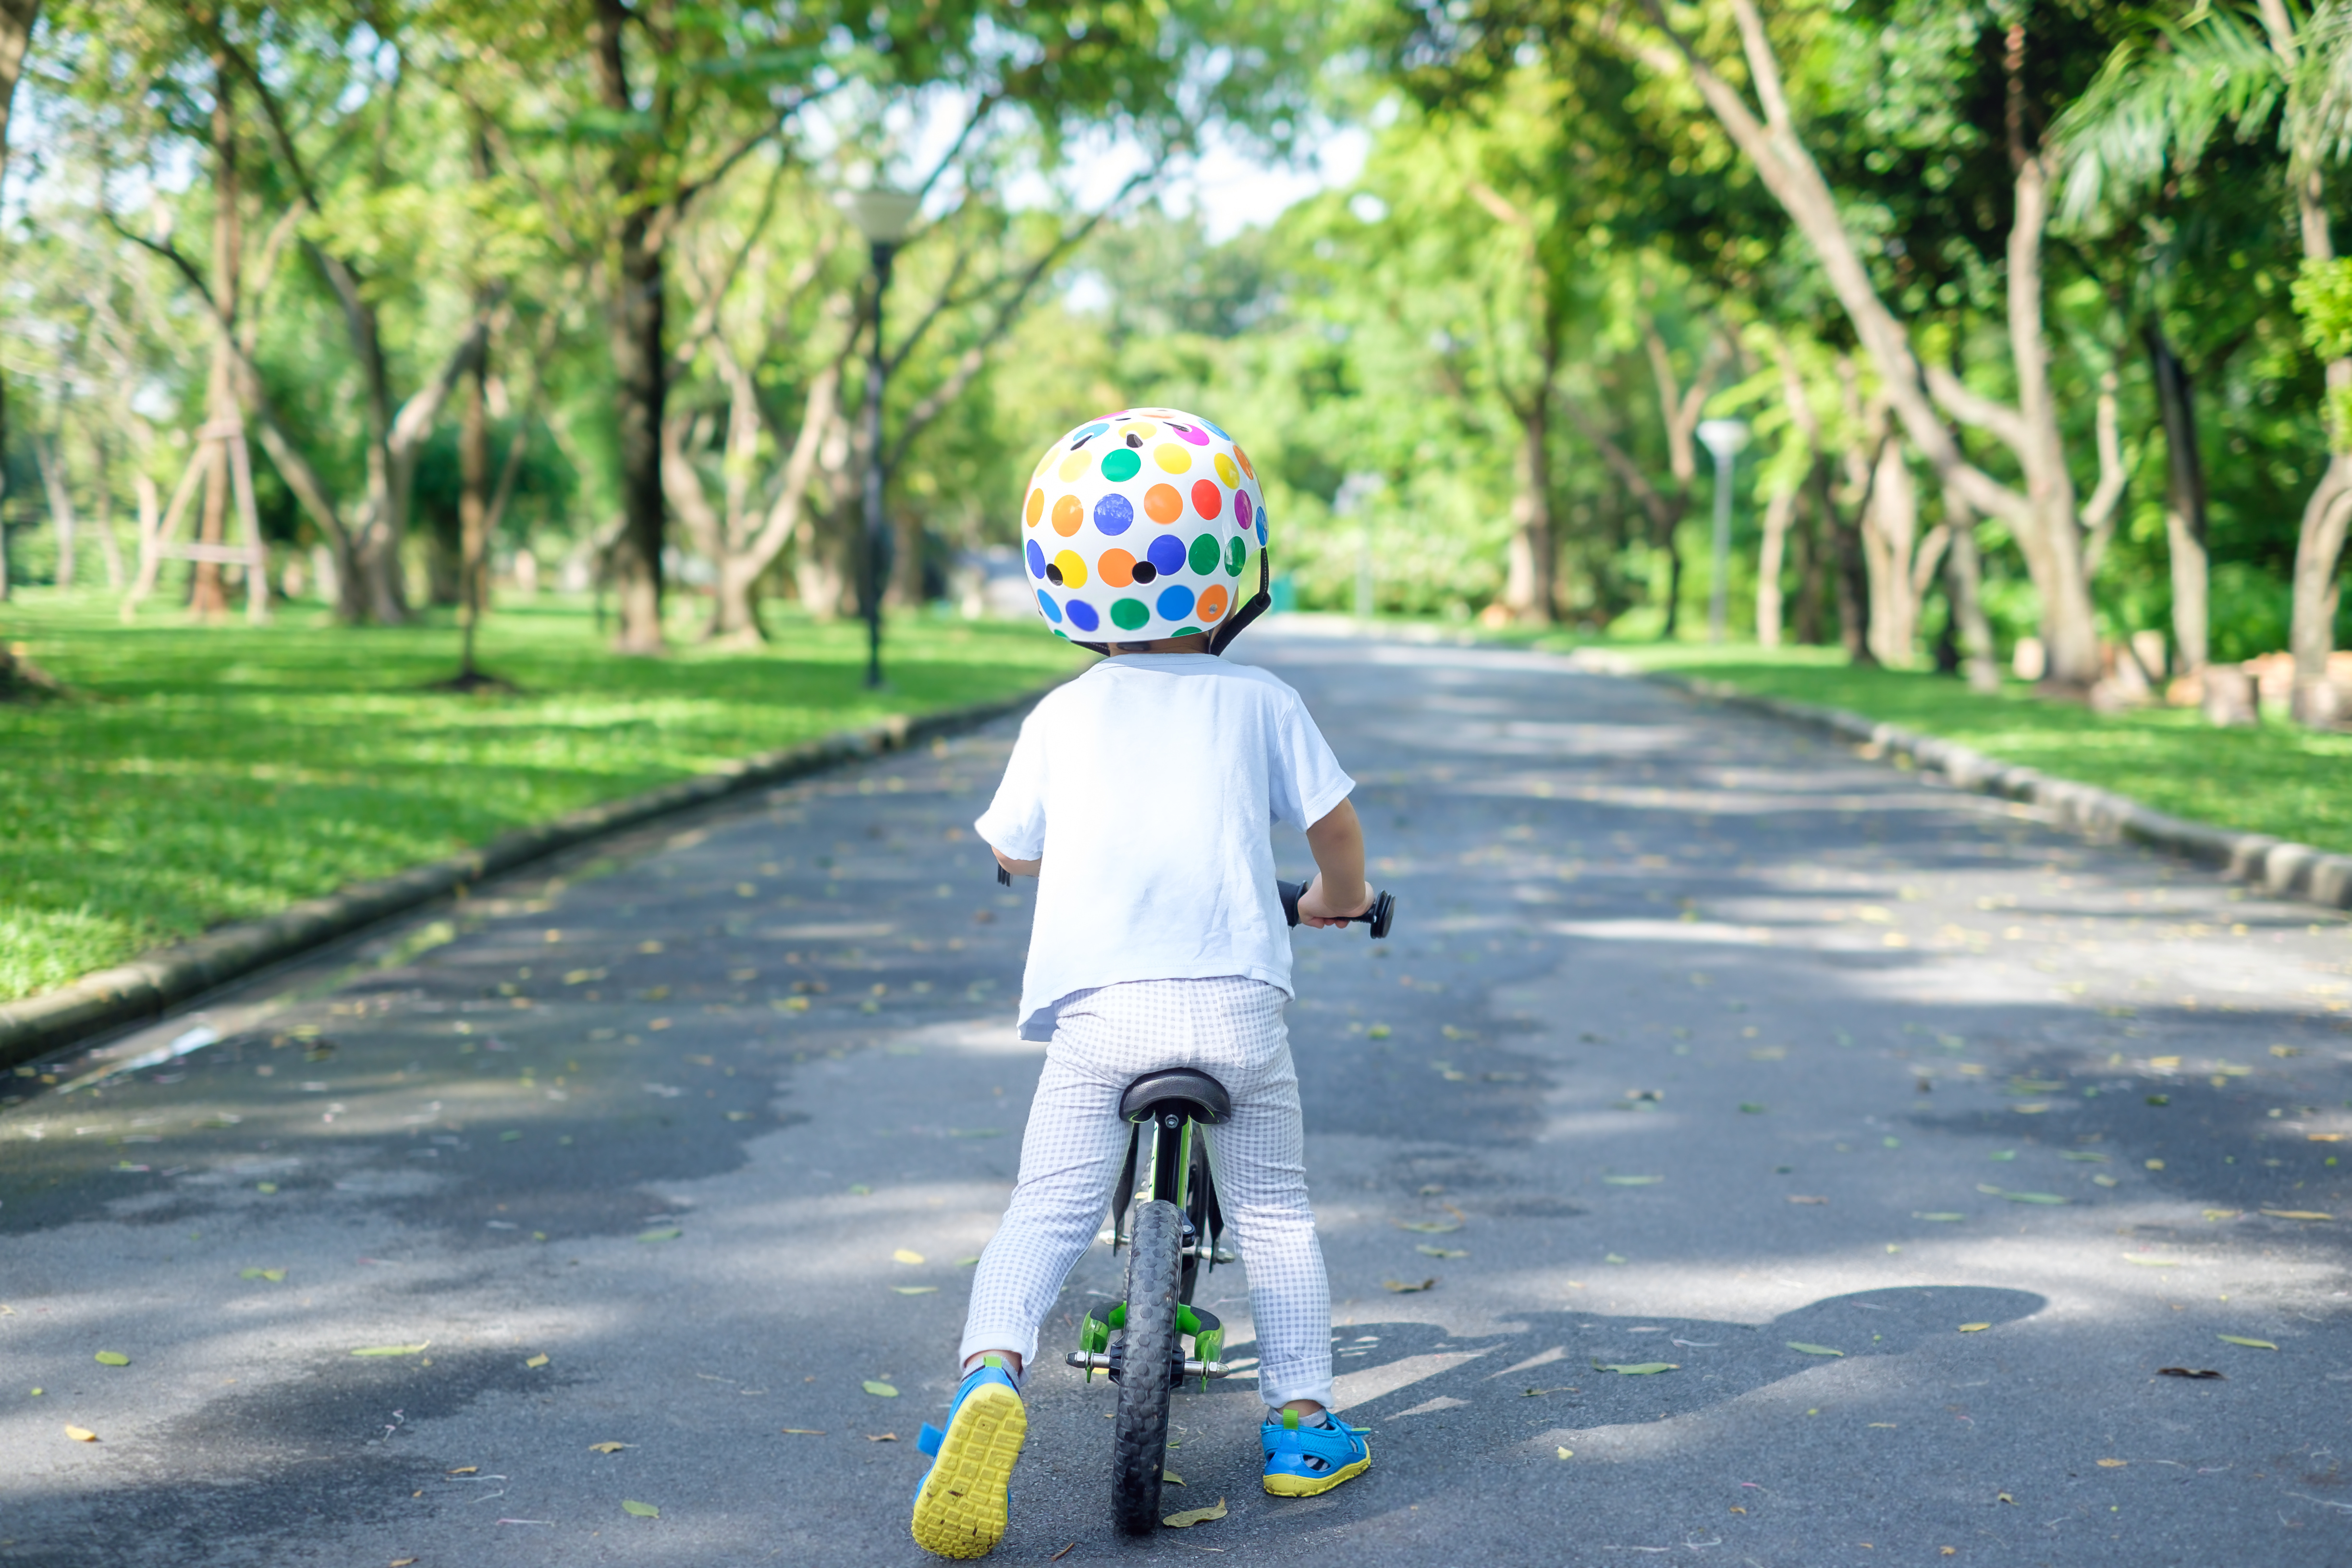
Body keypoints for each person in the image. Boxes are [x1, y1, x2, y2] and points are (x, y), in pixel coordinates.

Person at [908, 408, 1378, 1559]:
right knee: (1275, 1210)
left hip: (1103, 1017)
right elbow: (1337, 835)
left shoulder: (1061, 716)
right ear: (1235, 570)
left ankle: (987, 1378)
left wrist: (1027, 859)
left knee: (1047, 1206)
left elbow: (1014, 848)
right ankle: (1303, 1420)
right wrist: (1336, 900)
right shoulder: (1263, 701)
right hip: (1236, 1010)